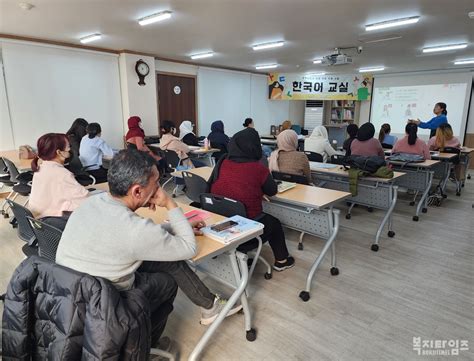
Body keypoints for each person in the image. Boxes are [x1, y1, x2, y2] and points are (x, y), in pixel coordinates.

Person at [56, 149, 242, 339]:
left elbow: (136, 237)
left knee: (165, 256)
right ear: (137, 190)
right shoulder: (135, 230)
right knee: (167, 282)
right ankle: (146, 346)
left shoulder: (92, 202)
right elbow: (188, 248)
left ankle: (209, 305)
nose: (159, 190)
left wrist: (178, 227)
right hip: (106, 305)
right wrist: (170, 204)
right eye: (156, 184)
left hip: (68, 295)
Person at [209, 128, 294, 271]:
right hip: (246, 228)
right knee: (274, 224)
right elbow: (272, 191)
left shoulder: (222, 161)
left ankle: (239, 254)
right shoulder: (258, 168)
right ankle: (282, 261)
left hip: (221, 223)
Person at [29, 133, 89, 230]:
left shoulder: (41, 168)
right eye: (68, 146)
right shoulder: (61, 173)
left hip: (40, 223)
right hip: (53, 224)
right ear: (59, 152)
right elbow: (85, 200)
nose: (70, 149)